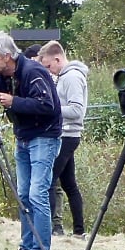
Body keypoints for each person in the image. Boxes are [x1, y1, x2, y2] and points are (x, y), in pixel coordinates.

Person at [0, 32, 62, 250]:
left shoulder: (32, 71)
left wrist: (14, 102)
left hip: (44, 137)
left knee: (37, 194)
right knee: (23, 195)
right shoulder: (5, 75)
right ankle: (27, 248)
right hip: (24, 137)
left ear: (7, 55)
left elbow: (48, 106)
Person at [38, 41, 87, 237]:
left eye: (49, 66)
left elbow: (76, 110)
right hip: (65, 133)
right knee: (69, 184)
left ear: (58, 59)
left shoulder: (72, 77)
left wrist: (49, 109)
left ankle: (49, 230)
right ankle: (78, 231)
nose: (50, 71)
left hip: (67, 135)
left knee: (48, 181)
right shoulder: (64, 77)